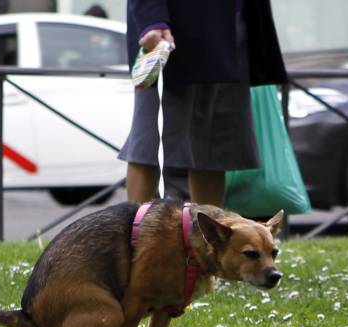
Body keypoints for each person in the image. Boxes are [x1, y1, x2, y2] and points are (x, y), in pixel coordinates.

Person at [120, 0, 287, 206]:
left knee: (213, 147)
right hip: (172, 32)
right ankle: (134, 235)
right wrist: (152, 21)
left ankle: (206, 235)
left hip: (230, 25)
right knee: (149, 141)